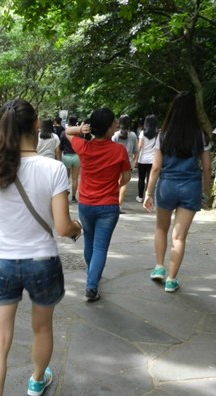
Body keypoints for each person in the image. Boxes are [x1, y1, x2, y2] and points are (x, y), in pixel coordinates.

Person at [0, 99, 82, 396]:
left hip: (3, 261)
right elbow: (63, 227)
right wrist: (78, 227)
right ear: (37, 123)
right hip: (41, 260)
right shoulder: (53, 168)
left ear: (1, 127)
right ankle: (37, 380)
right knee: (42, 328)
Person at [143, 92, 212, 293]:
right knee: (179, 237)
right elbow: (207, 167)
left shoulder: (163, 135)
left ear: (173, 110)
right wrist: (206, 191)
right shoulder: (200, 135)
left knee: (161, 228)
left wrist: (148, 193)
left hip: (167, 186)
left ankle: (159, 267)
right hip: (191, 187)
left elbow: (156, 168)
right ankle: (172, 280)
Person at [66, 108, 131, 302]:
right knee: (100, 247)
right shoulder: (119, 150)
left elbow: (67, 132)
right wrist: (115, 185)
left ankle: (92, 276)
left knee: (89, 242)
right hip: (108, 206)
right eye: (114, 123)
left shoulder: (84, 147)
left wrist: (81, 129)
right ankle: (92, 285)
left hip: (86, 204)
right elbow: (126, 177)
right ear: (110, 128)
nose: (117, 125)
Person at [112, 114, 138, 207]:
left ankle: (113, 202)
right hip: (128, 162)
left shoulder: (115, 135)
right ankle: (119, 205)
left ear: (119, 123)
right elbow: (136, 151)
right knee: (124, 183)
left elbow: (111, 150)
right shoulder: (133, 135)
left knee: (115, 182)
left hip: (116, 162)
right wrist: (134, 160)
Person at [136, 115, 159, 203]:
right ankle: (147, 195)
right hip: (153, 160)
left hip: (142, 159)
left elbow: (140, 146)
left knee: (141, 178)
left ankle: (140, 197)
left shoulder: (143, 133)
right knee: (150, 178)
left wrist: (136, 159)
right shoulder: (158, 134)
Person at [60, 116, 81, 202]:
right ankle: (73, 197)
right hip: (77, 156)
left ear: (68, 122)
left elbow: (61, 146)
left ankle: (65, 195)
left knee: (65, 178)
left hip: (66, 157)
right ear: (76, 122)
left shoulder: (64, 132)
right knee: (75, 178)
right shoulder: (80, 133)